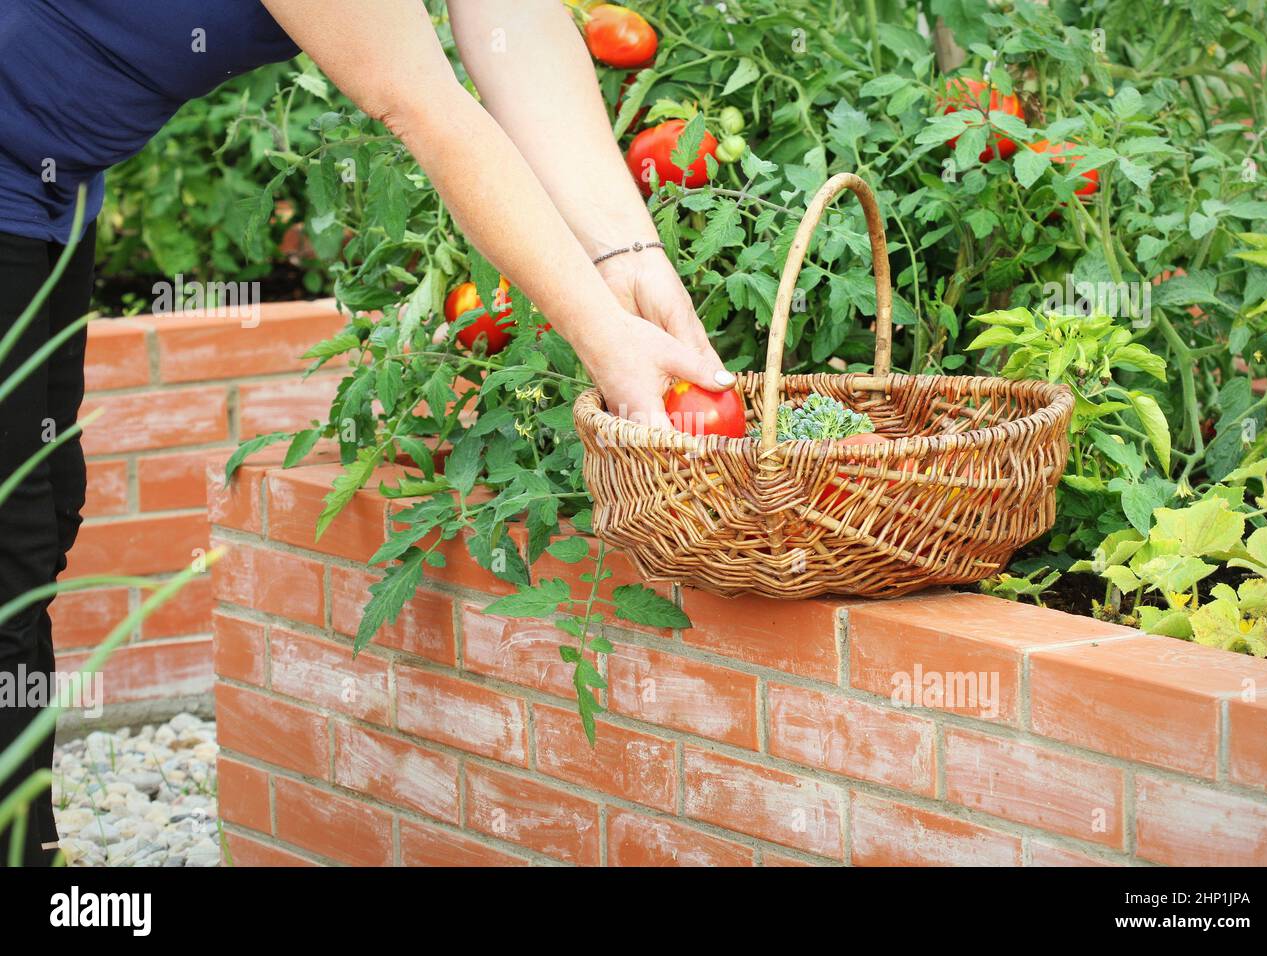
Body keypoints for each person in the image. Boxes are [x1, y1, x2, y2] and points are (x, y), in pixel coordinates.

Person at [0, 0, 734, 866]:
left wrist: (629, 259)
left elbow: (520, 31)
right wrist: (601, 336)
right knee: (10, 542)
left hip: (46, 181)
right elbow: (421, 103)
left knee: (39, 521)